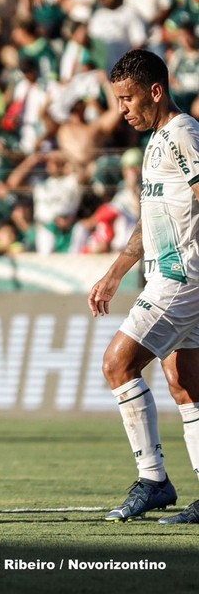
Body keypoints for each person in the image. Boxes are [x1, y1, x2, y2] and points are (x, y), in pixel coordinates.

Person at [88, 49, 199, 524]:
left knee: (117, 364)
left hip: (181, 276)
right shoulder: (156, 140)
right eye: (118, 100)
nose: (122, 109)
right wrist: (115, 272)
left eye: (128, 98)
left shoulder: (183, 133)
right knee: (185, 383)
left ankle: (153, 480)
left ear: (155, 91)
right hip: (171, 275)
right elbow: (152, 218)